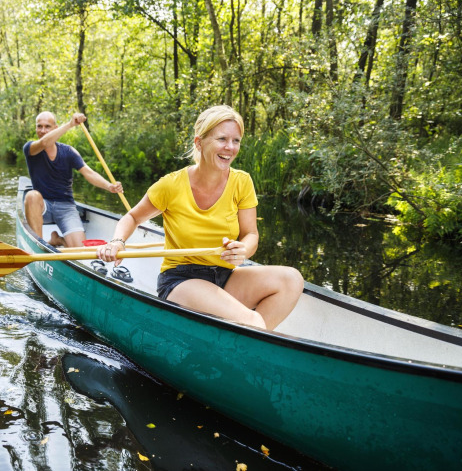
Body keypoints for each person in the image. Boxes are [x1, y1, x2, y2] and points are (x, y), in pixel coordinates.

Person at [96, 105, 303, 330]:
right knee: (252, 321)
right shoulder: (171, 185)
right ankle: (248, 341)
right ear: (199, 142)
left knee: (291, 280)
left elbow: (250, 235)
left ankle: (239, 343)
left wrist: (242, 250)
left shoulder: (242, 182)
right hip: (182, 281)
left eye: (236, 140)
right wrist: (117, 242)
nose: (230, 147)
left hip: (224, 276)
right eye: (222, 138)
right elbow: (132, 217)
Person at [24, 111, 124, 247]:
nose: (42, 130)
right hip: (43, 206)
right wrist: (70, 124)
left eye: (47, 126)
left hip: (66, 207)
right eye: (39, 126)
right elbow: (44, 142)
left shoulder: (69, 152)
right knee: (31, 196)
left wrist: (109, 186)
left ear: (55, 128)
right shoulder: (30, 148)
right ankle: (40, 245)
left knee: (79, 249)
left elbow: (89, 173)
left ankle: (57, 240)